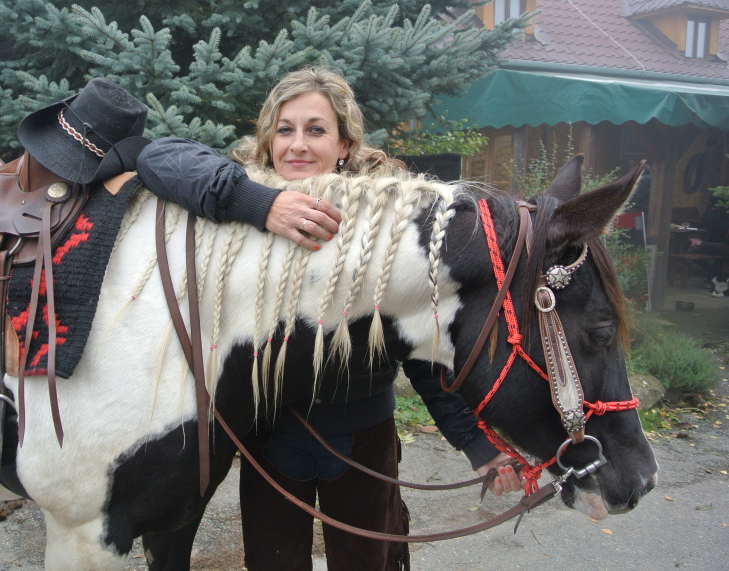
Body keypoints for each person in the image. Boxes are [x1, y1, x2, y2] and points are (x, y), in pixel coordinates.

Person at [136, 67, 523, 570]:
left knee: (368, 562)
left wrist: (477, 444)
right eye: (285, 129)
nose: (297, 144)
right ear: (268, 140)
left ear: (344, 144)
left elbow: (422, 345)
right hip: (271, 438)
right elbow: (156, 157)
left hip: (363, 437)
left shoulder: (385, 221)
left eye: (315, 130)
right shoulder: (242, 198)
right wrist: (262, 203)